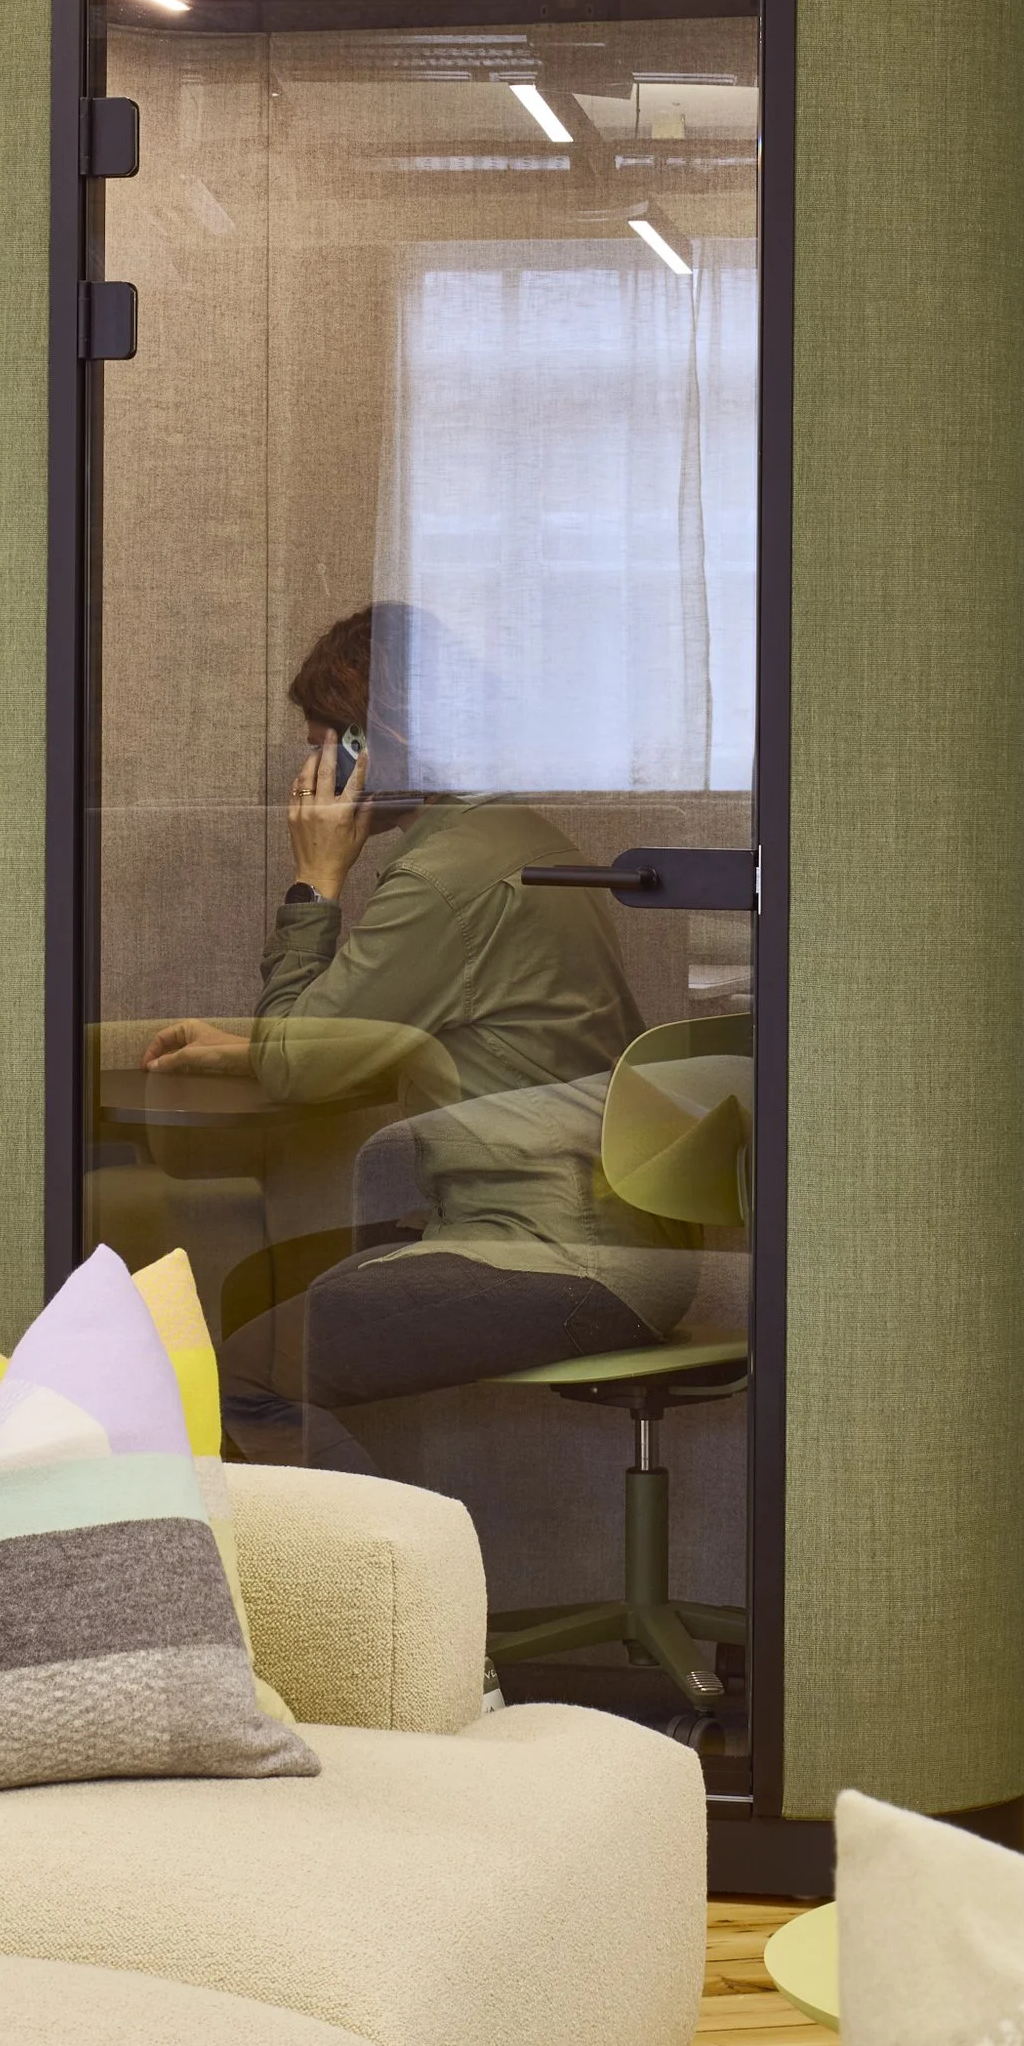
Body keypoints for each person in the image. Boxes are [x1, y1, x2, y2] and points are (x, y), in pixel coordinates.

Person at [143, 603, 697, 1465]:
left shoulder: (443, 879)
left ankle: (377, 1586)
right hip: (623, 1242)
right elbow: (435, 1029)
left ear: (374, 741)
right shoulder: (517, 836)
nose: (313, 768)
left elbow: (298, 1071)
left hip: (557, 1258)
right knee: (261, 1286)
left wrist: (315, 883)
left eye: (326, 741)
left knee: (241, 1370)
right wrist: (257, 1046)